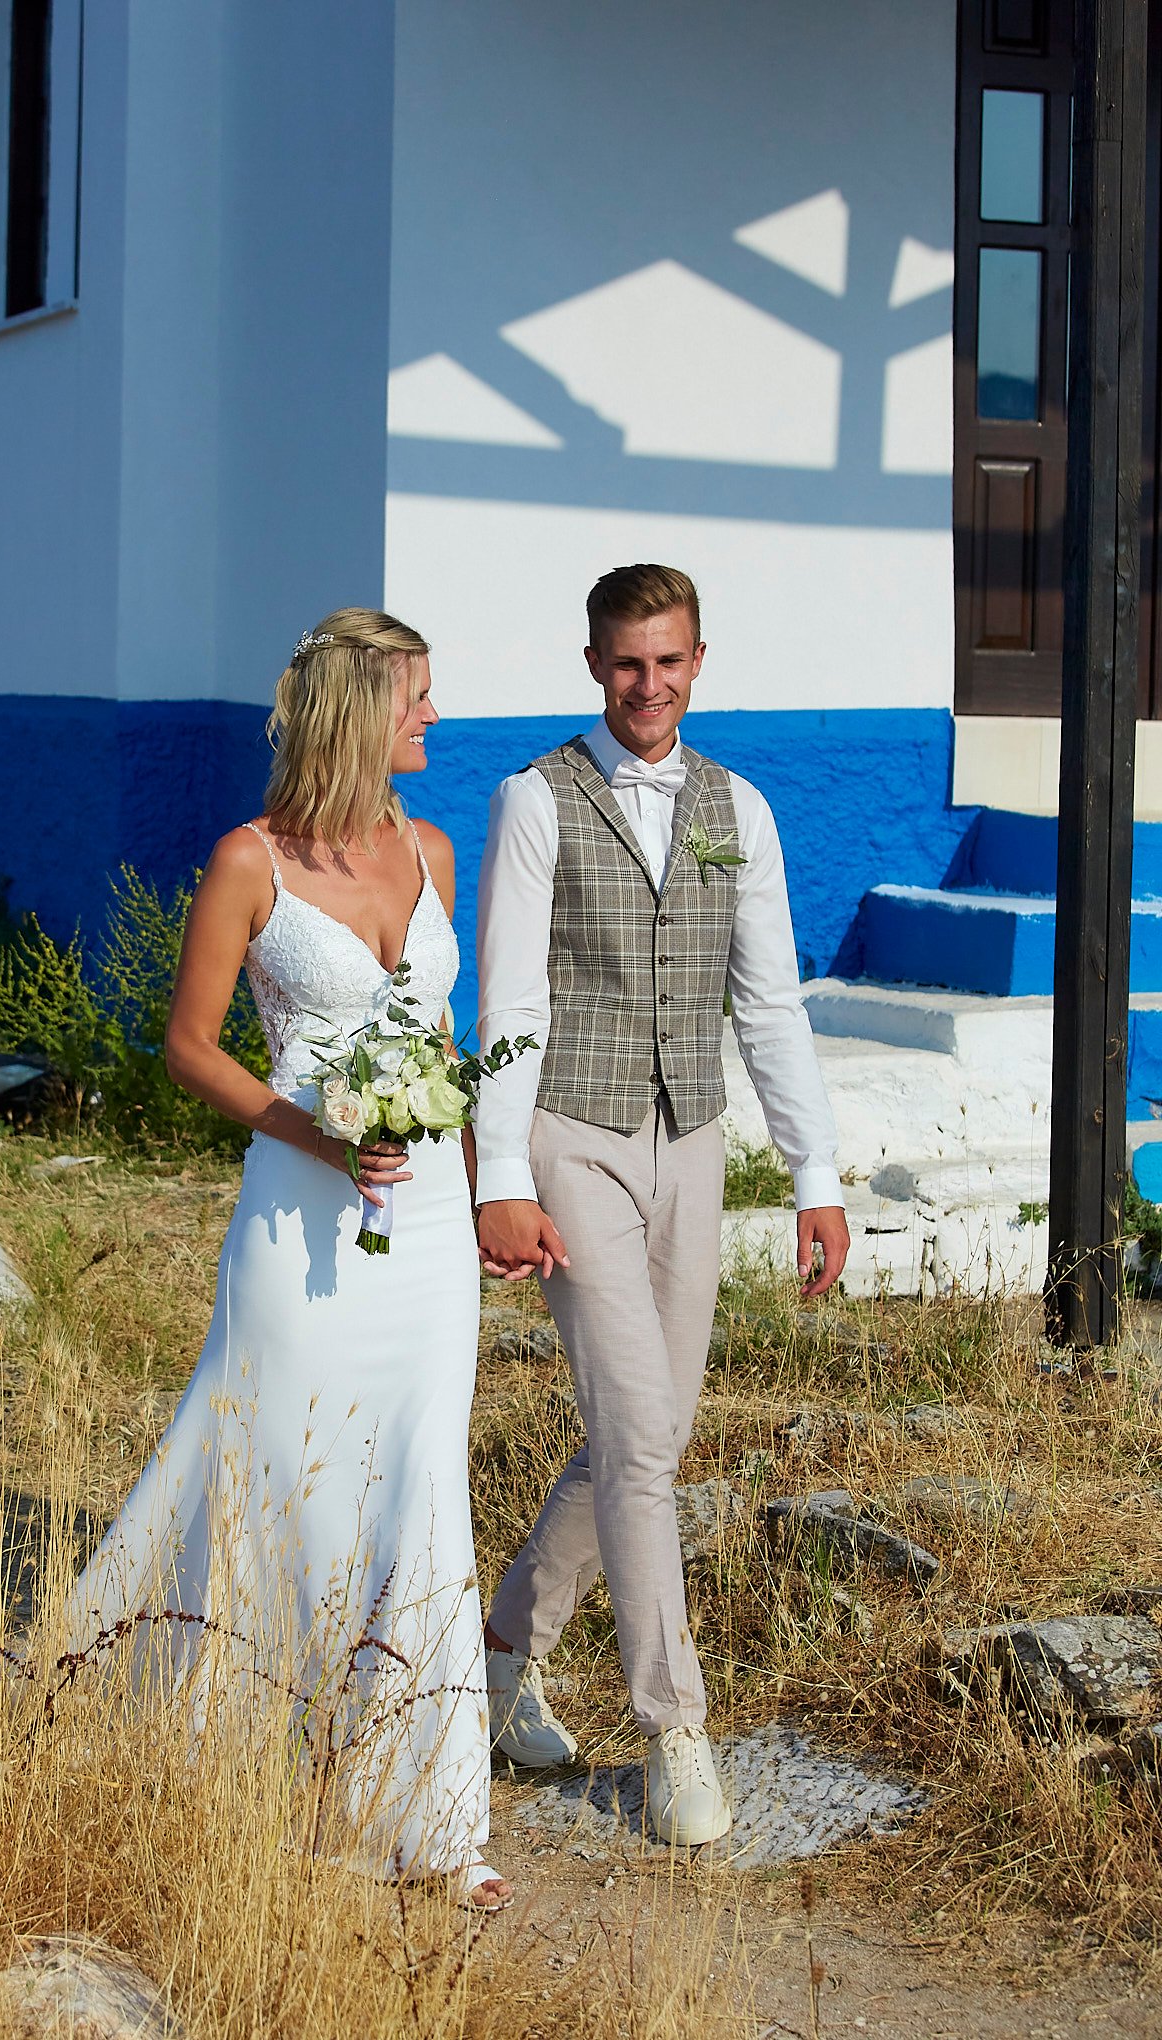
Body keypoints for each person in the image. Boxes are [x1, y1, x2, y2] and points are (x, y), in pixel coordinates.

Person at [66, 609, 511, 1911]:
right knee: (276, 1479)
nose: (435, 717)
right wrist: (313, 1130)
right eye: (417, 697)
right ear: (356, 713)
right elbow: (192, 1045)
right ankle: (225, 1766)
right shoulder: (248, 862)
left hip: (423, 1225)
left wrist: (485, 1197)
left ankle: (431, 1826)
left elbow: (445, 1042)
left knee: (425, 1487)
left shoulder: (429, 848)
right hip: (296, 1219)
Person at [474, 564, 849, 1848]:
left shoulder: (736, 807)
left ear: (700, 663)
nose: (649, 686)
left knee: (650, 1432)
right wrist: (501, 1174)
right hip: (569, 1137)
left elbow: (770, 1004)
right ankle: (674, 1730)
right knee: (638, 1438)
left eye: (669, 662)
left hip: (689, 1143)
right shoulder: (532, 801)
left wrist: (813, 1175)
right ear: (594, 664)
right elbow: (511, 1008)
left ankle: (501, 1653)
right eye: (627, 663)